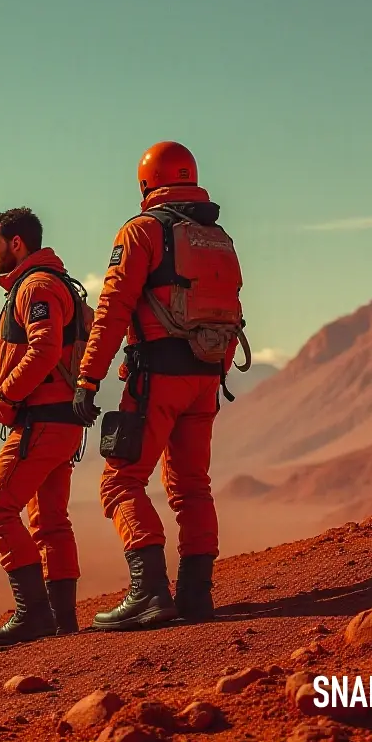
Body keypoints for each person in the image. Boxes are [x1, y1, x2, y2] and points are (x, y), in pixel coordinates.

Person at [72, 141, 250, 632]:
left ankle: (148, 592)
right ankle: (197, 595)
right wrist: (216, 371)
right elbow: (230, 309)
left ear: (147, 183)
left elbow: (112, 309)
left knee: (120, 481)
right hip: (206, 377)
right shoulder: (218, 237)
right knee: (192, 486)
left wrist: (89, 377)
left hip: (158, 379)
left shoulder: (143, 232)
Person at [0, 207, 94, 647]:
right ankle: (63, 619)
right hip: (63, 422)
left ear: (16, 243)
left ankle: (33, 614)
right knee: (49, 521)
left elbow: (44, 349)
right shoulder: (56, 283)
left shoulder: (37, 286)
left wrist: (7, 395)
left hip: (42, 421)